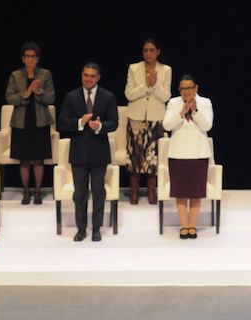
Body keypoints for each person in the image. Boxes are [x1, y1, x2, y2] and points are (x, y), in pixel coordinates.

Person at [58, 62, 118, 242]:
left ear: (98, 77)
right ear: (81, 75)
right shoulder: (71, 97)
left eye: (92, 76)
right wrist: (79, 122)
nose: (88, 79)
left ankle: (97, 229)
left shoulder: (108, 97)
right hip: (79, 153)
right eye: (86, 75)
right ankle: (81, 229)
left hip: (99, 152)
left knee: (99, 192)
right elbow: (61, 122)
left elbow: (114, 123)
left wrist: (99, 126)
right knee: (80, 194)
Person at [162, 75, 214, 239]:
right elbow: (166, 125)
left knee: (195, 192)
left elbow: (207, 125)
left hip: (198, 153)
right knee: (181, 191)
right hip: (178, 153)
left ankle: (192, 226)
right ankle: (184, 226)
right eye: (183, 88)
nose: (186, 91)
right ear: (179, 90)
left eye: (189, 88)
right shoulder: (173, 103)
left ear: (196, 88)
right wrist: (181, 113)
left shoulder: (205, 102)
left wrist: (195, 111)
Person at [5, 42, 55, 205]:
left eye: (33, 56)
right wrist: (26, 93)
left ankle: (38, 191)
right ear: (22, 58)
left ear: (38, 58)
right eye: (27, 56)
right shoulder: (15, 75)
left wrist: (38, 91)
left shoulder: (45, 74)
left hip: (40, 120)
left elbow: (51, 98)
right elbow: (9, 97)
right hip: (21, 121)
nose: (30, 59)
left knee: (38, 159)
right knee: (24, 159)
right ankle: (26, 191)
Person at [124, 38, 172, 204]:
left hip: (156, 117)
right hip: (136, 117)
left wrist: (154, 84)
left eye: (152, 50)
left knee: (153, 157)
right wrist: (145, 85)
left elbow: (166, 96)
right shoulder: (134, 68)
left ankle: (152, 191)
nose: (148, 53)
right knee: (135, 156)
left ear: (158, 52)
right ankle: (134, 191)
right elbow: (128, 94)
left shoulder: (166, 70)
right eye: (145, 50)